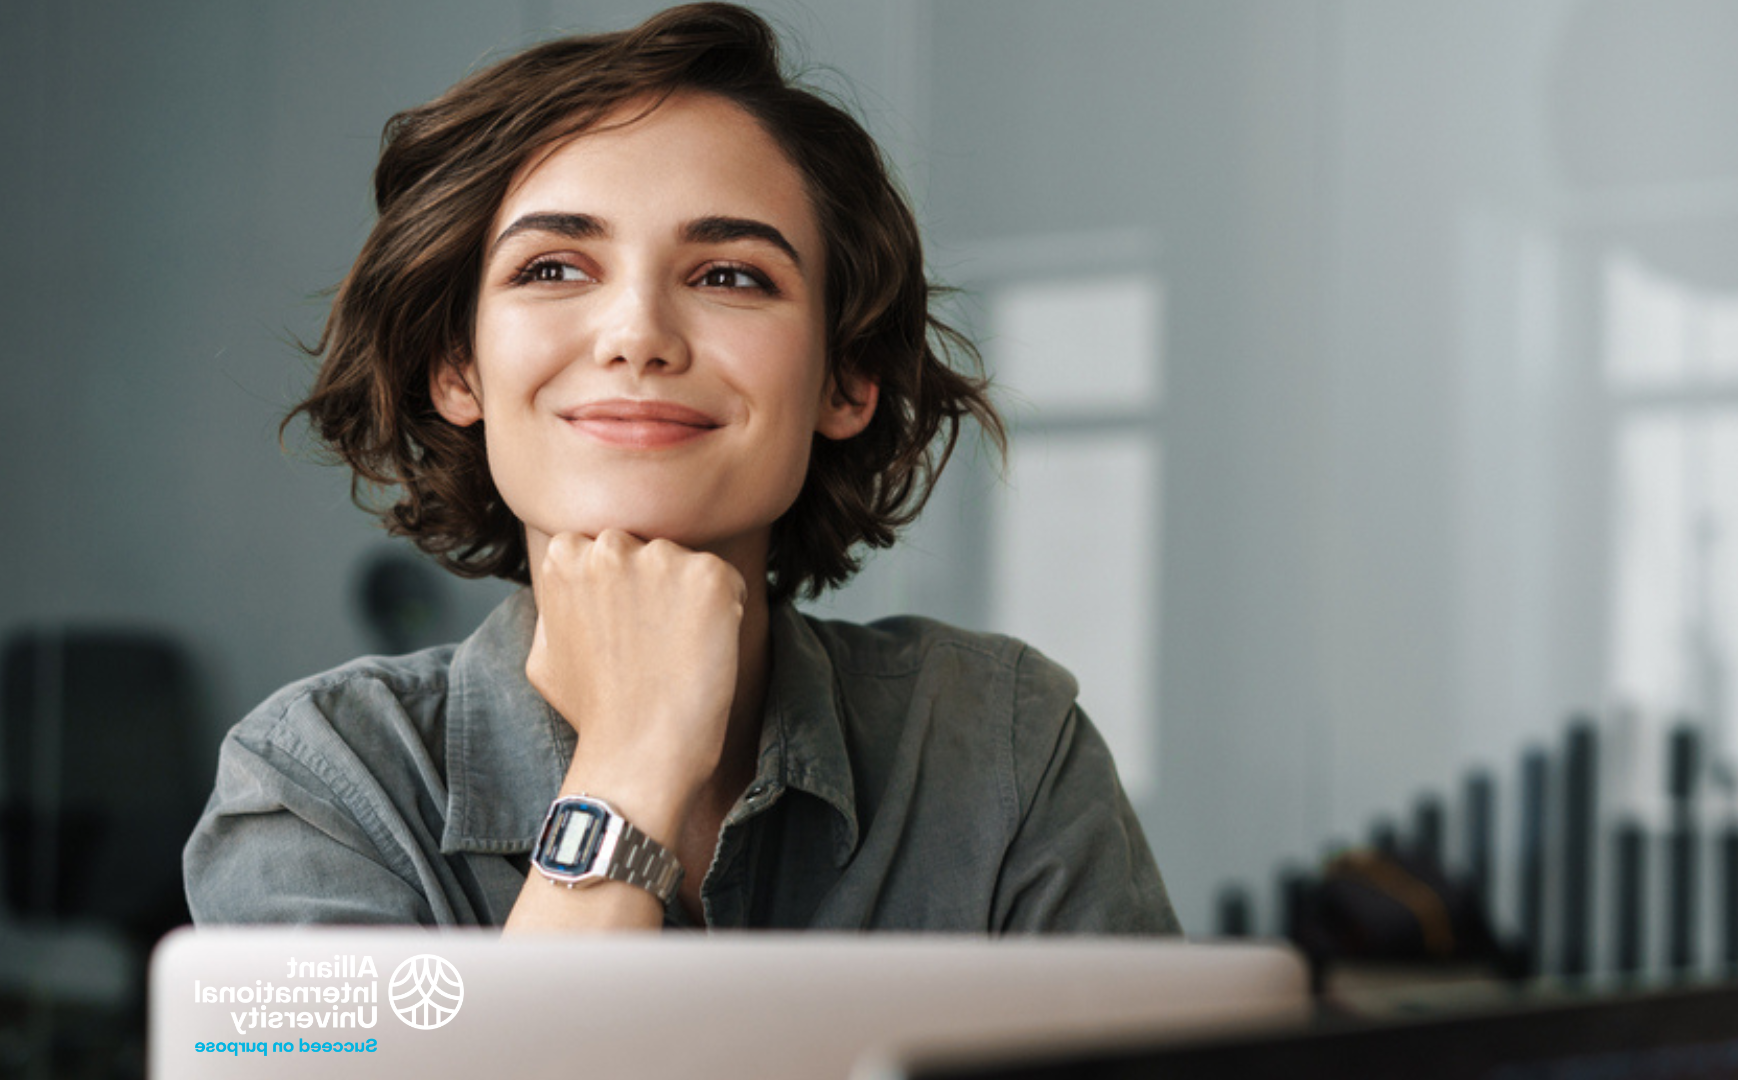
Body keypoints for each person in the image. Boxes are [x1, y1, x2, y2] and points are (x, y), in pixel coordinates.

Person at [185, 2, 1177, 935]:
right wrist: (633, 762)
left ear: (847, 379)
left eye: (731, 276)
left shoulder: (1005, 747)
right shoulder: (319, 785)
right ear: (458, 367)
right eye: (553, 269)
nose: (638, 336)